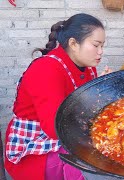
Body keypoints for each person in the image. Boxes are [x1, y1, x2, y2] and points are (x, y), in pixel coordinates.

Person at [4, 13, 110, 180]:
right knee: (95, 166)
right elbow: (55, 129)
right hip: (35, 148)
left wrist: (101, 89)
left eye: (102, 46)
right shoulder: (46, 69)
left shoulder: (88, 68)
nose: (101, 52)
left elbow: (86, 106)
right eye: (96, 45)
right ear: (73, 43)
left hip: (71, 133)